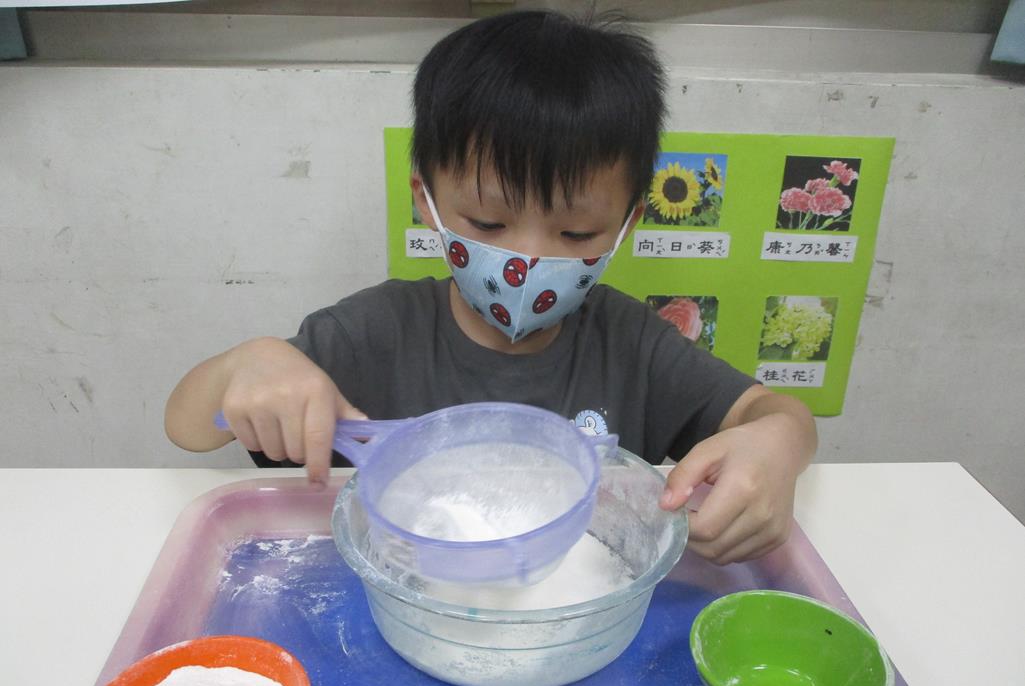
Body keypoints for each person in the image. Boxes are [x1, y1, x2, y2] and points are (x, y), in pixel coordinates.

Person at [165, 10, 816, 565]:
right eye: (486, 222)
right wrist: (249, 362)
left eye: (575, 232)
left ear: (628, 221)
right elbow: (187, 426)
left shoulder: (633, 346)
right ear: (426, 200)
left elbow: (774, 414)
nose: (526, 259)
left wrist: (778, 443)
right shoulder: (376, 333)